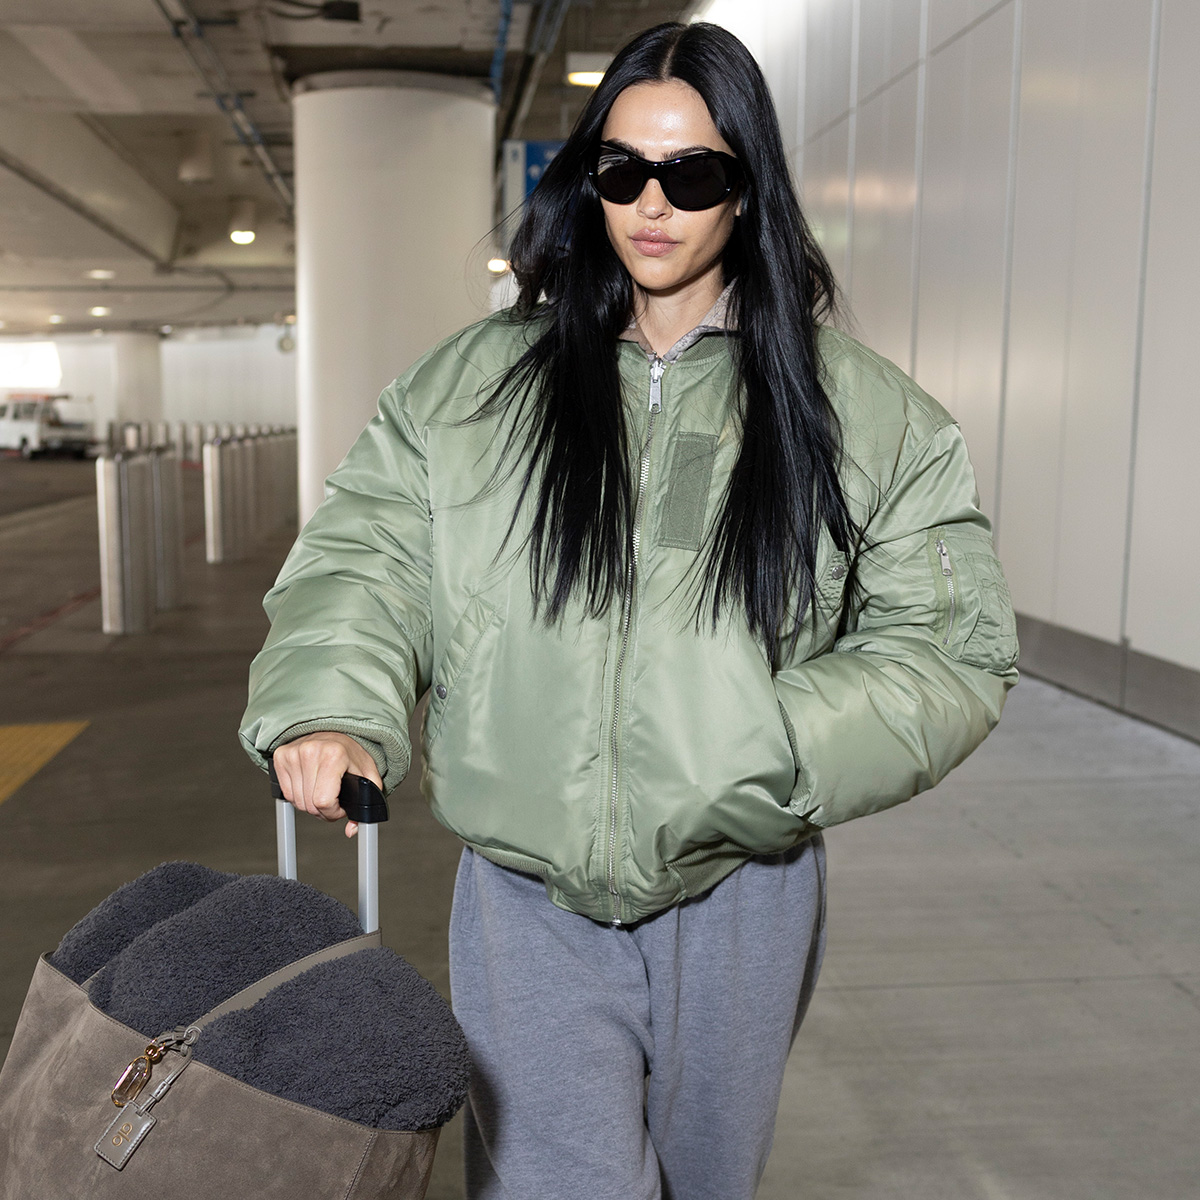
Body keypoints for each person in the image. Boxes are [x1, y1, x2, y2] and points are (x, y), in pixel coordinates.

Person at [240, 20, 1019, 1200]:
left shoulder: (867, 416)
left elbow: (951, 646)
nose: (652, 205)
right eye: (621, 170)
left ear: (748, 193)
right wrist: (331, 707)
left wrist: (762, 745)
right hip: (524, 887)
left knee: (708, 1183)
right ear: (589, 178)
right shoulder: (472, 388)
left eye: (692, 174)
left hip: (741, 889)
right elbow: (367, 558)